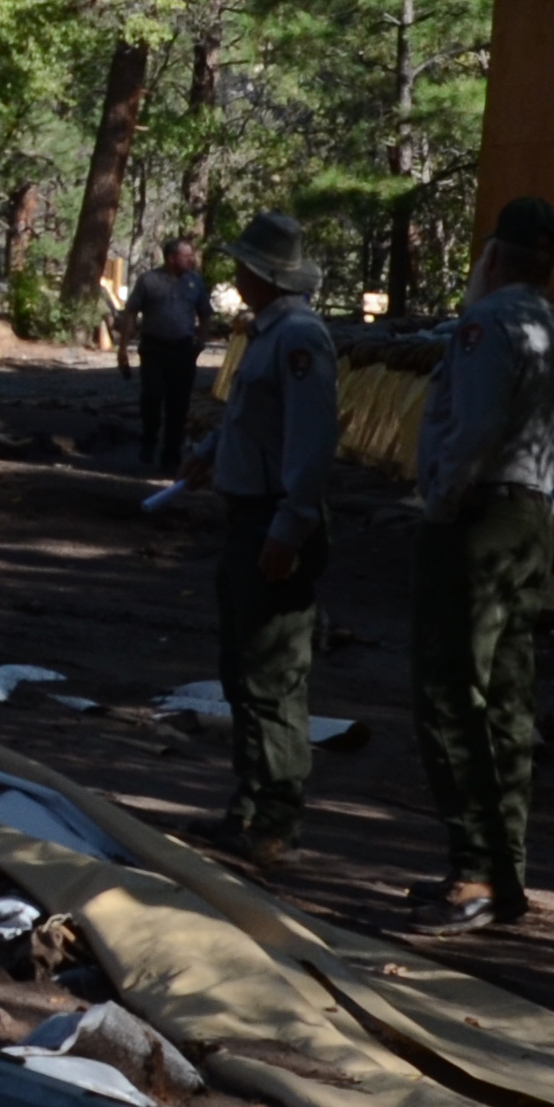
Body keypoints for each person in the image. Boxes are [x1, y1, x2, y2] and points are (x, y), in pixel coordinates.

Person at [407, 197, 554, 930]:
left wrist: (442, 505)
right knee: (509, 700)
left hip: (479, 520)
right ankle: (505, 871)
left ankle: (472, 870)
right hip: (532, 520)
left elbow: (472, 427)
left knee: (450, 690)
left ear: (494, 253)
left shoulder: (487, 325)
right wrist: (545, 506)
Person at [209, 211, 344, 865]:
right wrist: (207, 454)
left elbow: (311, 442)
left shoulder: (298, 339)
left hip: (272, 519)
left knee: (273, 677)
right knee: (241, 671)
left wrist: (289, 526)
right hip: (244, 516)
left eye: (242, 264)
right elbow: (251, 421)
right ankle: (248, 803)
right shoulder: (263, 335)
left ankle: (278, 819)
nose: (234, 273)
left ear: (262, 274)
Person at [121, 234, 215, 476]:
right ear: (172, 258)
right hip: (154, 348)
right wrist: (123, 348)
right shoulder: (149, 281)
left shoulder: (195, 282)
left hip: (183, 350)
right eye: (187, 256)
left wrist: (200, 342)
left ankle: (171, 454)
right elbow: (131, 313)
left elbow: (205, 313)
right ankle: (148, 440)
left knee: (179, 404)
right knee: (152, 395)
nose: (192, 260)